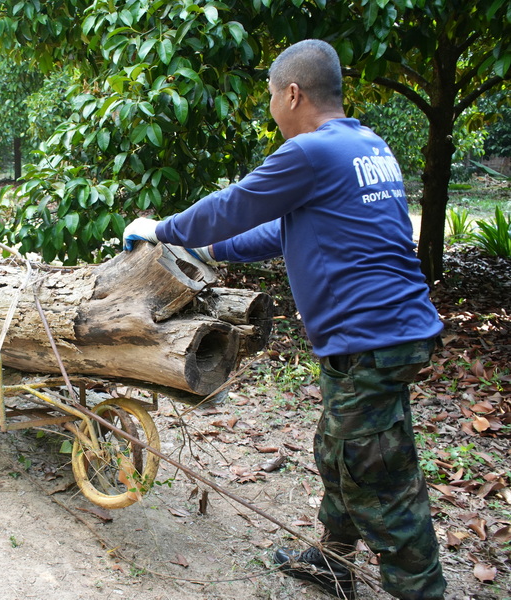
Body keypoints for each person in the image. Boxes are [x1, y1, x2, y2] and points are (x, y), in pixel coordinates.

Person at [123, 39, 445, 600]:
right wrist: (209, 250)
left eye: (272, 96)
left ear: (292, 93)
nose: (272, 109)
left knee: (377, 478)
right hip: (392, 331)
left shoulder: (310, 153)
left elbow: (233, 205)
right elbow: (281, 230)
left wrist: (162, 229)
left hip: (369, 339)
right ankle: (332, 562)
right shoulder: (366, 146)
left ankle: (422, 590)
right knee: (342, 450)